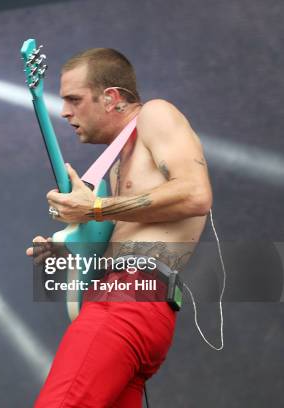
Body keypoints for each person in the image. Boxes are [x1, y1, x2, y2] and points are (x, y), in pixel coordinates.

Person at [26, 49, 212, 407]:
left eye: (74, 99)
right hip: (142, 304)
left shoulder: (156, 114)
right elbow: (128, 231)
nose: (65, 112)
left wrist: (94, 208)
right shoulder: (116, 162)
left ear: (111, 98)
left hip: (127, 301)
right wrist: (71, 243)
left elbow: (196, 193)